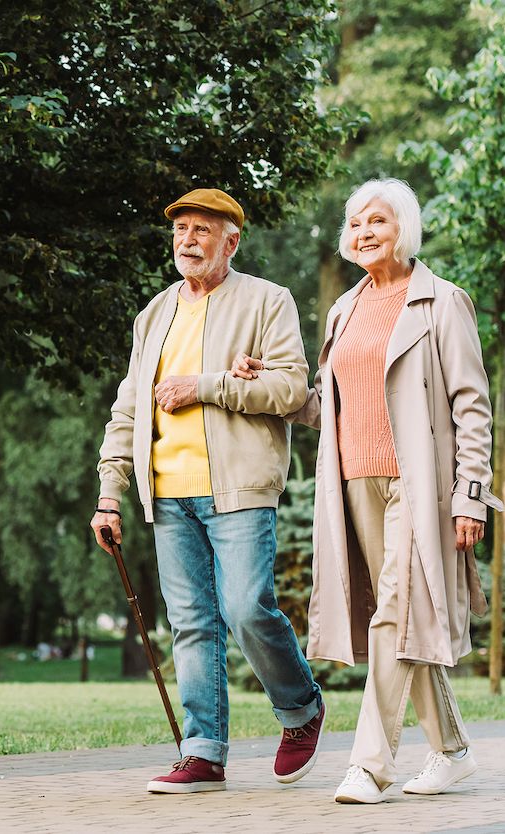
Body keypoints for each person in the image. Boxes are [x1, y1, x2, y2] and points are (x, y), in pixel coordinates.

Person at [232, 178, 504, 803]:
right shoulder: (344, 309)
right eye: (355, 223)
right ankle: (453, 751)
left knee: (391, 613)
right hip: (355, 482)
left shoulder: (441, 302)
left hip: (420, 484)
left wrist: (470, 493)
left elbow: (472, 404)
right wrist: (269, 384)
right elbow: (327, 404)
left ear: (402, 227)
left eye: (377, 221)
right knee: (403, 614)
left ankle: (369, 766)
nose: (363, 232)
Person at [91, 187, 325, 794]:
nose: (187, 240)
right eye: (180, 230)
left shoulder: (267, 301)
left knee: (246, 608)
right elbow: (127, 410)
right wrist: (109, 492)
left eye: (201, 229)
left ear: (232, 241)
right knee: (192, 623)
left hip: (241, 487)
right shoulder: (154, 314)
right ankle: (203, 752)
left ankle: (300, 709)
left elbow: (292, 394)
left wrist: (209, 385)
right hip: (167, 493)